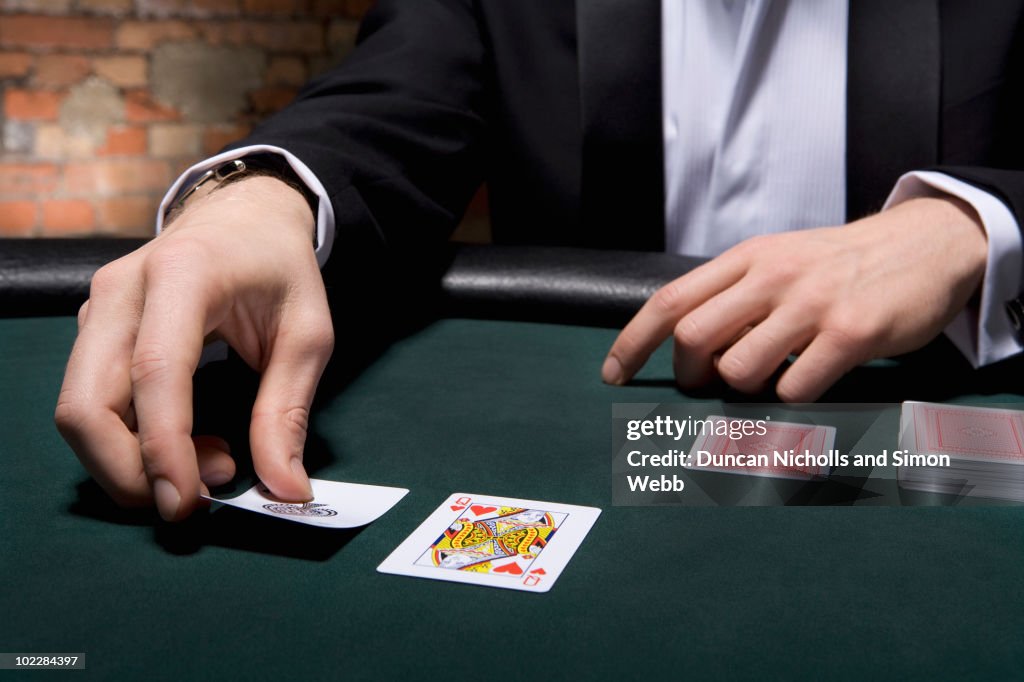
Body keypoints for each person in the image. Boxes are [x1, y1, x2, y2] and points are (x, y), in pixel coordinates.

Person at [55, 1, 1024, 521]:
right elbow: (388, 102)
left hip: (950, 456)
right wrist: (262, 196)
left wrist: (975, 226)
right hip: (605, 450)